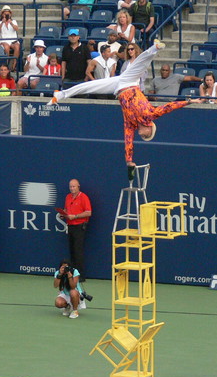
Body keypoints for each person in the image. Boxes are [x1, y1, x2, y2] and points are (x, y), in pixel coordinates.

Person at [51, 40, 192, 168]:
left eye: (143, 137)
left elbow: (128, 142)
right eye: (146, 136)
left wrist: (129, 161)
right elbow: (168, 107)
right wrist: (187, 102)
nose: (142, 136)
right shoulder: (150, 115)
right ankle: (154, 48)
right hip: (130, 83)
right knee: (140, 63)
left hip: (118, 89)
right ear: (149, 129)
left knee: (91, 85)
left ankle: (60, 95)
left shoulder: (131, 124)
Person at [62, 179, 92, 283]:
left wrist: (75, 216)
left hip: (79, 227)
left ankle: (80, 276)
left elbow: (88, 212)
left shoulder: (84, 197)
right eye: (70, 187)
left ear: (78, 186)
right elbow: (66, 210)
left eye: (74, 186)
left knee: (78, 251)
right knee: (72, 251)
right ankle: (72, 274)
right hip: (70, 226)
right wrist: (63, 214)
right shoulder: (67, 197)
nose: (72, 188)